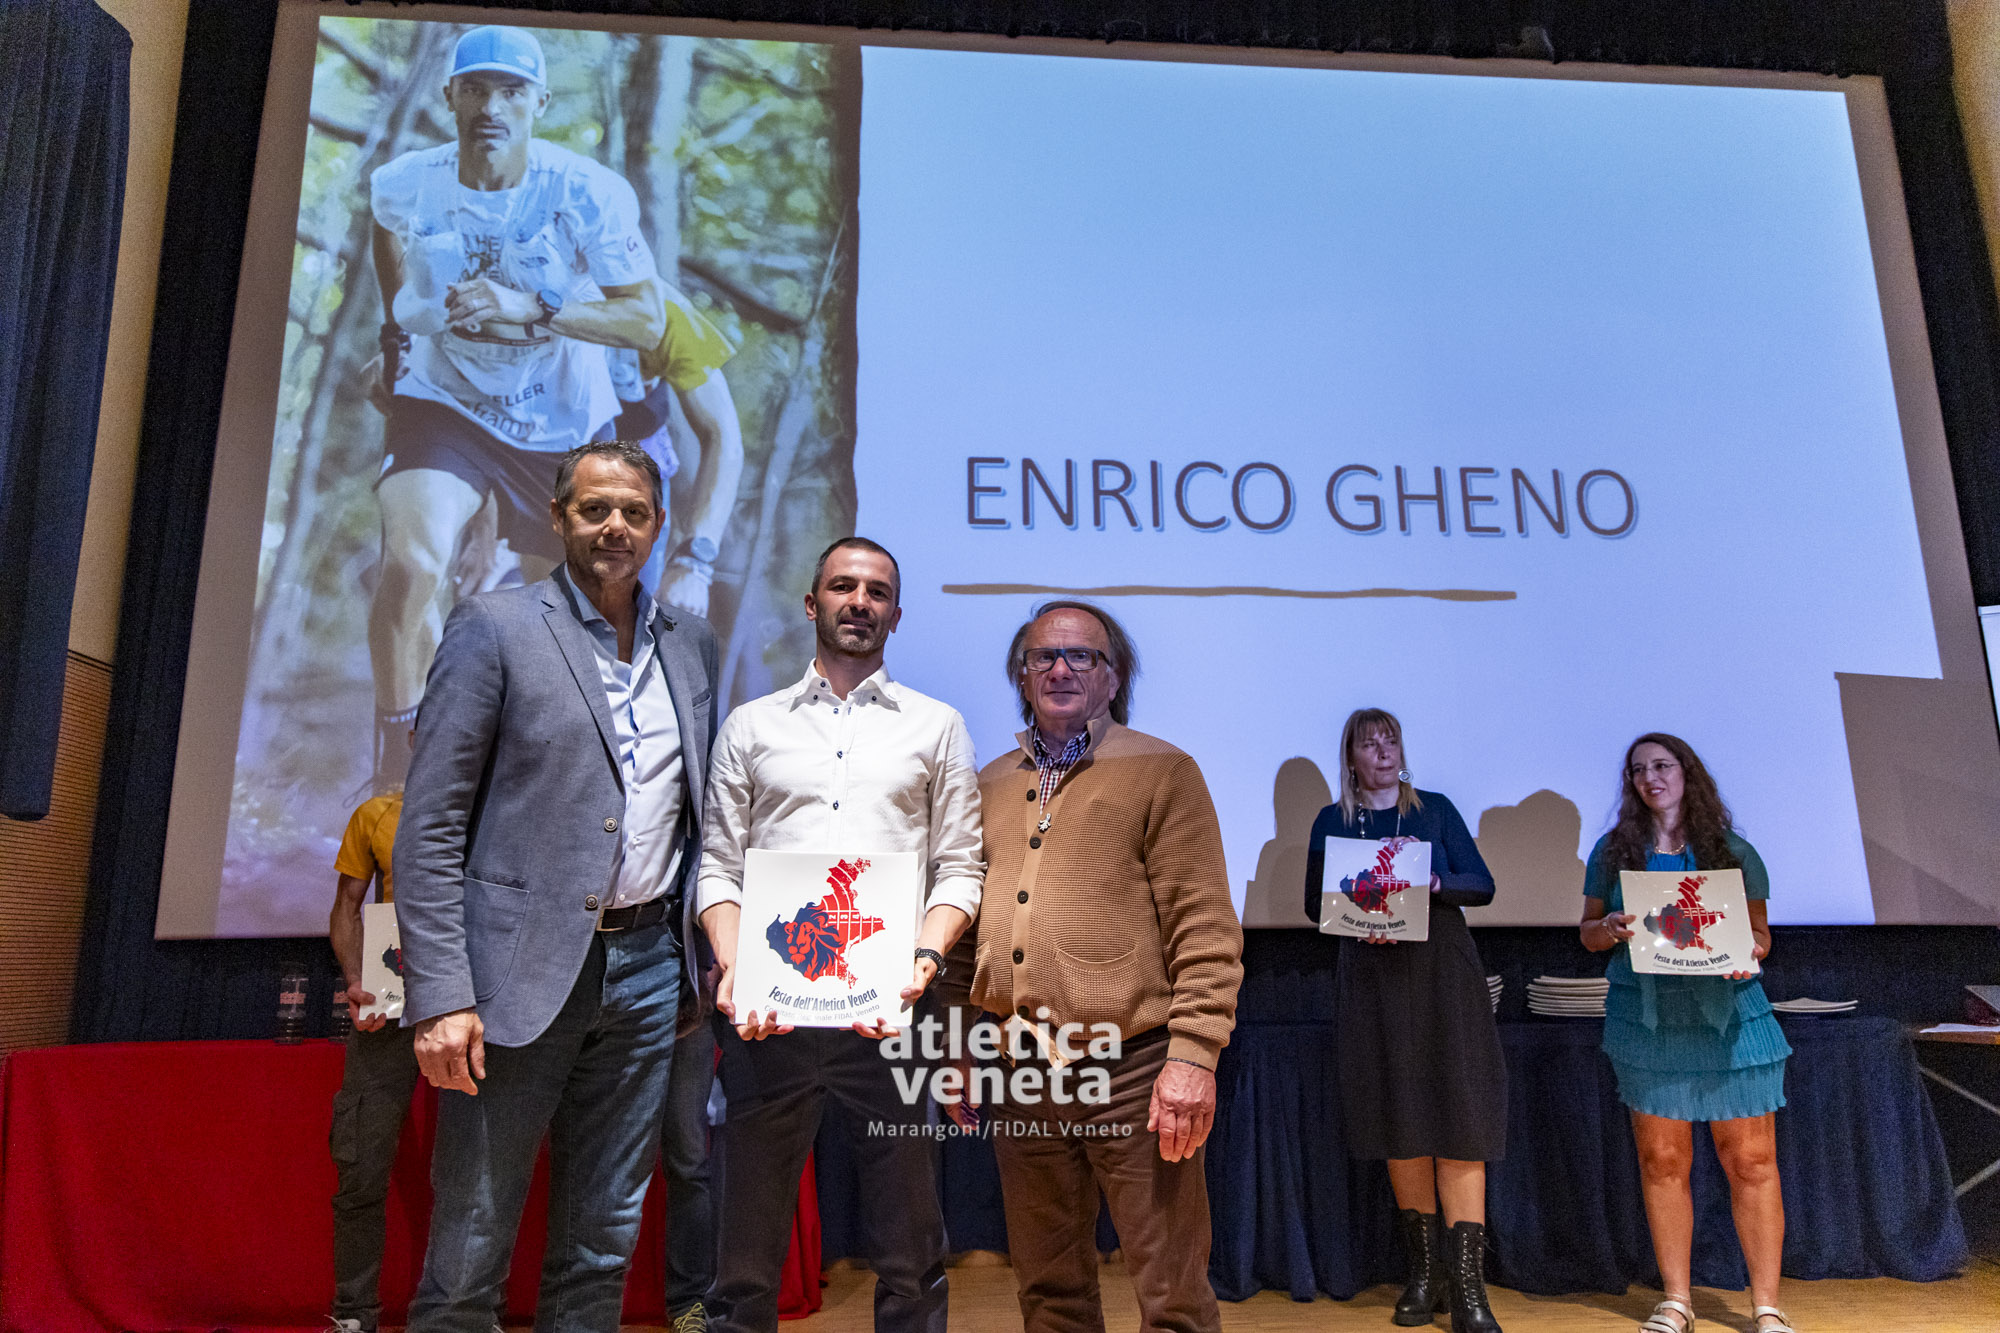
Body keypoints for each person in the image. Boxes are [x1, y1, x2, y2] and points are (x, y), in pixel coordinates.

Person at [394, 440, 719, 1333]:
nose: (616, 526)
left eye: (635, 512)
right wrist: (441, 993)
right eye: (595, 508)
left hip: (650, 973)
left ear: (658, 525)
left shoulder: (691, 644)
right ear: (558, 516)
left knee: (602, 1241)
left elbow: (692, 816)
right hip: (513, 978)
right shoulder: (493, 625)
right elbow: (430, 827)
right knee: (469, 1247)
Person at [364, 24, 669, 791]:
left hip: (562, 421)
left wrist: (531, 306)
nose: (491, 107)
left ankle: (535, 787)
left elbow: (646, 320)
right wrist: (396, 336)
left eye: (510, 91)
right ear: (450, 98)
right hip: (446, 399)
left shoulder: (585, 192)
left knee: (562, 628)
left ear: (541, 102)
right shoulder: (407, 181)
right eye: (475, 89)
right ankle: (399, 770)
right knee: (412, 563)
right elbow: (386, 234)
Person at [697, 537, 984, 1333]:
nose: (860, 600)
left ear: (897, 613)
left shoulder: (937, 725)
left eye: (877, 590)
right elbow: (719, 867)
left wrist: (924, 957)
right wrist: (735, 965)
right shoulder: (752, 725)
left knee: (910, 1249)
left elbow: (960, 867)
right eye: (843, 586)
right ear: (811, 603)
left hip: (893, 1014)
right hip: (768, 1019)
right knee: (743, 1253)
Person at [941, 600, 1243, 1333]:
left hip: (1135, 1071)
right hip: (1020, 1070)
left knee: (1172, 1294)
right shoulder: (988, 782)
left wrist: (1193, 1058)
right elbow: (964, 931)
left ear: (1113, 677)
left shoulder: (1162, 770)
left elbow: (1204, 926)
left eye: (1082, 656)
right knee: (1050, 1294)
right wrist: (957, 1045)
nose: (1061, 668)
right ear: (1022, 675)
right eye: (1043, 655)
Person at [1579, 734, 1795, 1333]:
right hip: (1647, 1019)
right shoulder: (1613, 851)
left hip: (1731, 1017)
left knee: (1751, 1160)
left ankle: (1767, 1307)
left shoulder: (1732, 851)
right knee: (1662, 1160)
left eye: (1662, 765)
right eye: (1638, 770)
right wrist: (1609, 927)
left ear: (1686, 773)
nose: (1650, 777)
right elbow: (1588, 933)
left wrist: (1749, 951)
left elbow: (1761, 937)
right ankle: (1676, 1301)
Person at [1302, 709, 1506, 1333]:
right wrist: (1363, 915)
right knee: (1399, 1117)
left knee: (1460, 1118)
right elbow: (1314, 904)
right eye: (1370, 744)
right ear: (1352, 758)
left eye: (1391, 740)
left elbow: (1482, 884)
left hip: (1442, 978)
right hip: (1373, 982)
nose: (1384, 751)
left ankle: (1469, 1289)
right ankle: (1425, 1275)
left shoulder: (1434, 810)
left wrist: (1435, 884)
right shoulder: (1333, 820)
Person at [326, 774, 418, 1333]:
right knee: (360, 1162)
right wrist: (357, 979)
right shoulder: (378, 813)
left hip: (475, 1000)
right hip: (390, 993)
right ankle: (353, 1314)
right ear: (414, 735)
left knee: (479, 1170)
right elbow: (346, 905)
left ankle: (473, 1314)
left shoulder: (499, 809)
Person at [607, 285, 747, 619]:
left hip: (636, 479)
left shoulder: (668, 312)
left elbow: (724, 435)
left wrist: (694, 562)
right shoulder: (518, 292)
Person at [660, 1013, 718, 1333]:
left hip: (691, 1005)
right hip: (617, 1003)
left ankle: (689, 1302)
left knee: (689, 1163)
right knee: (601, 1159)